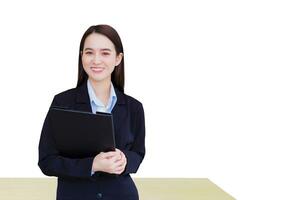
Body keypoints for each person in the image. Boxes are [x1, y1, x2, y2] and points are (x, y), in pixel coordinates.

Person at [38, 24, 146, 200]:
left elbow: (138, 154)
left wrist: (124, 160)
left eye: (105, 53)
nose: (96, 60)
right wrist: (92, 165)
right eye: (89, 52)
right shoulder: (62, 103)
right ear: (82, 57)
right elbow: (47, 161)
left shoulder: (134, 107)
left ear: (118, 58)